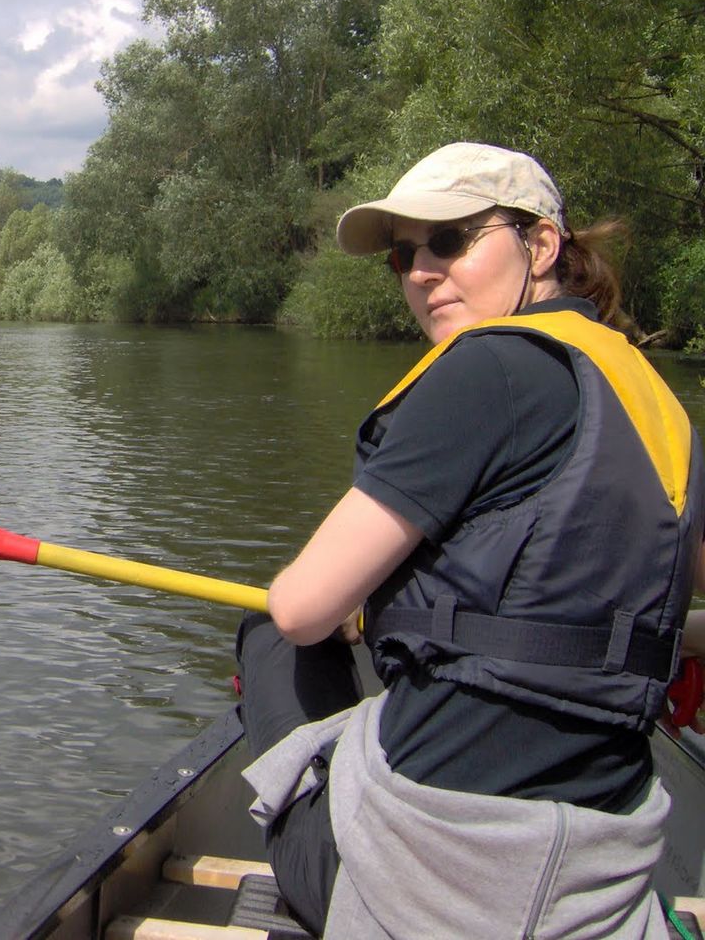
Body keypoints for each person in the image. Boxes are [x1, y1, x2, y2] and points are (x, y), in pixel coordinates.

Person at [235, 142, 705, 937]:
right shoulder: (650, 393)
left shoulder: (483, 369)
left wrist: (356, 612)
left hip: (439, 877)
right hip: (598, 861)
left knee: (269, 637)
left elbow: (303, 608)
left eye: (450, 240)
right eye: (404, 257)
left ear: (541, 244)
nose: (422, 272)